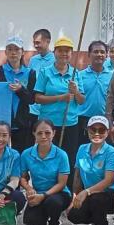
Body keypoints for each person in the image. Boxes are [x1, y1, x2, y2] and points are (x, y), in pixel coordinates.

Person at [34, 36, 85, 188]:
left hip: (70, 124)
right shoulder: (45, 72)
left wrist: (75, 92)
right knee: (48, 158)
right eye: (61, 51)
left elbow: (82, 100)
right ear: (54, 52)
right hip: (49, 126)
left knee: (67, 160)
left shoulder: (76, 74)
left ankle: (66, 194)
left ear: (71, 54)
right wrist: (60, 97)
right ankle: (46, 191)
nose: (64, 54)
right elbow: (37, 97)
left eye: (67, 51)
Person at [67, 116, 114, 225]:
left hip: (109, 194)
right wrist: (74, 196)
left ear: (107, 132)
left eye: (101, 130)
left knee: (97, 199)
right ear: (87, 131)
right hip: (89, 194)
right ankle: (96, 218)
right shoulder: (82, 149)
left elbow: (109, 180)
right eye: (93, 130)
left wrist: (86, 192)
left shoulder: (112, 153)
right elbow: (78, 175)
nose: (96, 133)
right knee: (73, 215)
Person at [21, 119, 71, 225]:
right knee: (29, 220)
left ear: (54, 133)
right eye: (39, 133)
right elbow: (22, 178)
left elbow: (62, 183)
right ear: (34, 134)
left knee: (53, 202)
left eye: (47, 133)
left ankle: (54, 223)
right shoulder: (26, 154)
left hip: (59, 194)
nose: (43, 136)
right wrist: (28, 188)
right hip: (38, 193)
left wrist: (42, 196)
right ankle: (43, 220)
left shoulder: (61, 155)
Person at [0, 36, 36, 153]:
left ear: (22, 52)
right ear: (5, 52)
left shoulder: (30, 73)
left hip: (23, 122)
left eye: (16, 49)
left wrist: (21, 90)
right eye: (10, 49)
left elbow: (32, 99)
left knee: (21, 153)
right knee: (0, 152)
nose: (13, 53)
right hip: (2, 121)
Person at [77, 41, 113, 146]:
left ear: (106, 55)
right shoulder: (80, 75)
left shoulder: (112, 76)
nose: (99, 55)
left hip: (105, 120)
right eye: (95, 52)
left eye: (102, 52)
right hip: (84, 121)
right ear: (89, 54)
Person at [28, 29, 55, 117]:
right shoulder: (33, 60)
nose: (35, 45)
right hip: (32, 108)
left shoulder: (56, 60)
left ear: (48, 41)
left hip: (49, 108)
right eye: (34, 43)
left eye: (38, 42)